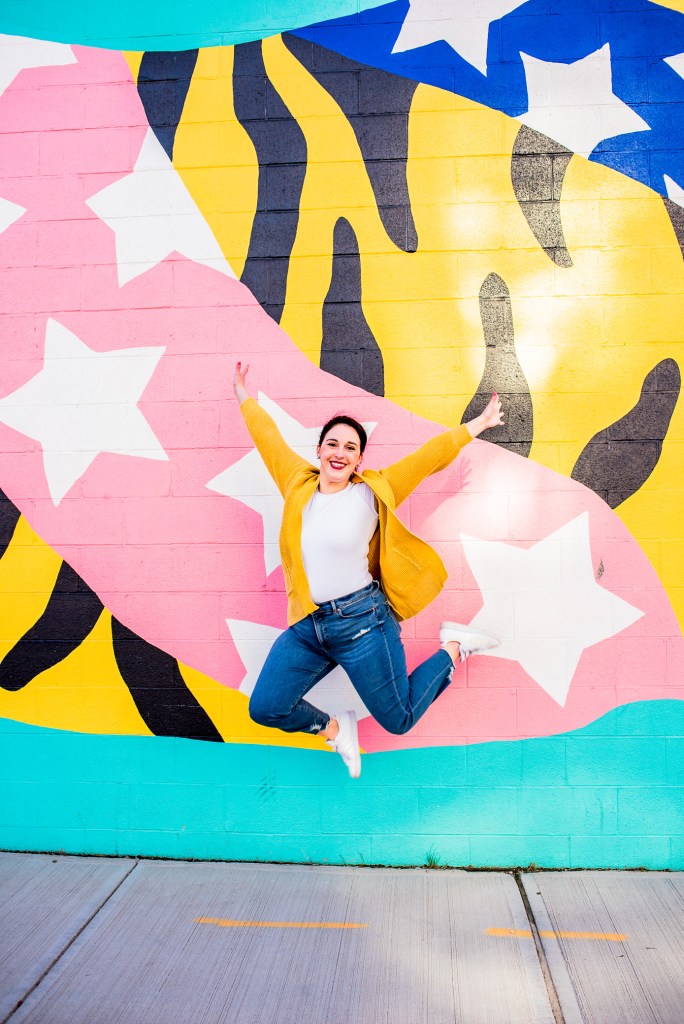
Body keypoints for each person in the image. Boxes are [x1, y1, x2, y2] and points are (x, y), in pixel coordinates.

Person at [233, 361, 504, 778]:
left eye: (350, 447)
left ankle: (453, 649)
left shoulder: (370, 492)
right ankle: (337, 729)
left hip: (362, 623)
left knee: (398, 719)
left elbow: (427, 458)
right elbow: (267, 439)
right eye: (333, 444)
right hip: (308, 626)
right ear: (319, 450)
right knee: (266, 706)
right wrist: (243, 396)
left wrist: (477, 425)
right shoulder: (296, 484)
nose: (339, 453)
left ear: (359, 458)